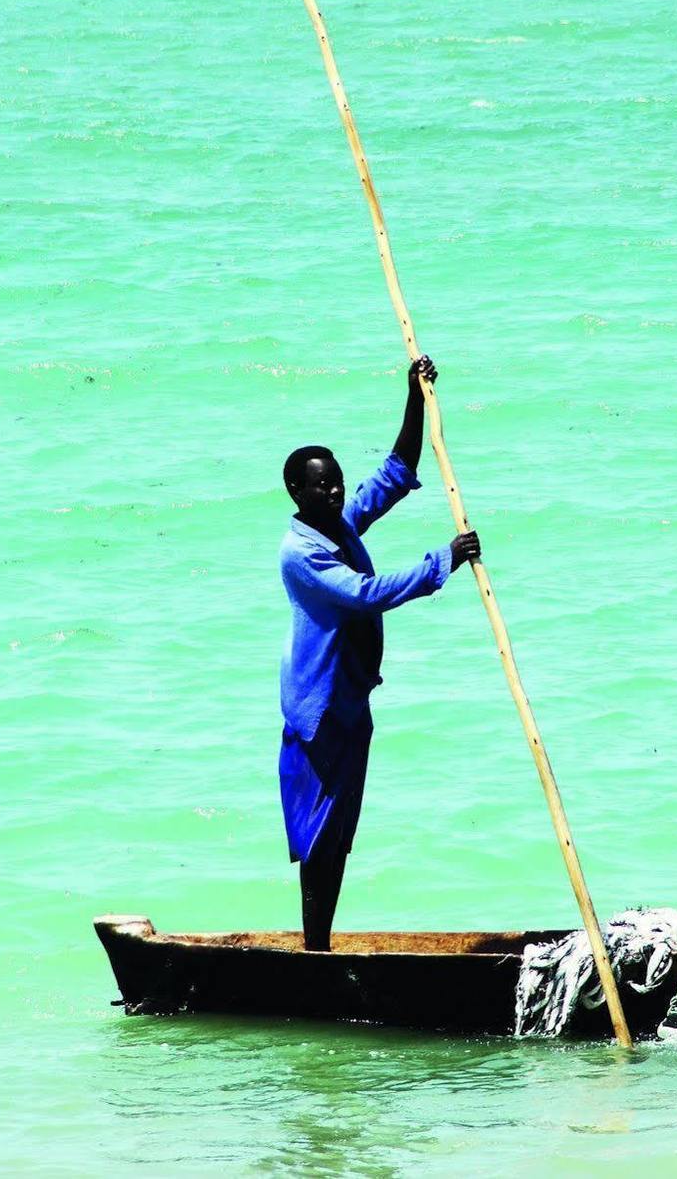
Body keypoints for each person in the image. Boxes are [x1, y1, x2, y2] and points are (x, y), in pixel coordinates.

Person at [277, 356, 481, 951]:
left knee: (339, 834)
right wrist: (442, 560)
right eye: (322, 483)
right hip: (318, 715)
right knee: (318, 837)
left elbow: (395, 474)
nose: (335, 489)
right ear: (297, 491)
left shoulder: (337, 524)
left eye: (337, 480)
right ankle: (314, 951)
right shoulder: (301, 552)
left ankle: (319, 947)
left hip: (350, 703)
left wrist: (414, 396)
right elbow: (364, 596)